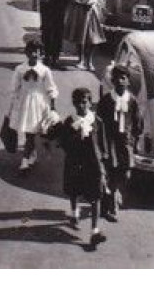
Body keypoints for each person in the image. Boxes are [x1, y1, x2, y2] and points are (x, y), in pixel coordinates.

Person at [48, 86, 108, 241]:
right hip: (75, 161)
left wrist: (104, 159)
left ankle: (95, 231)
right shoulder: (69, 121)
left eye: (84, 102)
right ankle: (75, 212)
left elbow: (103, 142)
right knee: (74, 189)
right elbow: (62, 142)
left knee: (96, 195)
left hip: (93, 162)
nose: (81, 106)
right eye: (78, 103)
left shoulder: (97, 121)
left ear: (90, 103)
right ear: (73, 104)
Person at [96, 64, 143, 221]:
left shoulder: (132, 101)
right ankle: (111, 205)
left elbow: (137, 122)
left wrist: (135, 141)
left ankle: (114, 194)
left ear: (128, 81)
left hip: (125, 142)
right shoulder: (106, 100)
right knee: (110, 172)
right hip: (109, 141)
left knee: (125, 173)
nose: (120, 81)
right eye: (116, 78)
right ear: (112, 81)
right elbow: (99, 122)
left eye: (123, 78)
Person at [5, 39, 58, 172]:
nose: (35, 54)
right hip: (24, 102)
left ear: (41, 54)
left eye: (38, 52)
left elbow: (51, 89)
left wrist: (52, 107)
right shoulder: (20, 69)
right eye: (32, 51)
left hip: (39, 104)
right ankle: (31, 154)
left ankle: (24, 161)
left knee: (31, 133)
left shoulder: (45, 70)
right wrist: (12, 108)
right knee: (29, 132)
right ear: (27, 52)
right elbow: (14, 88)